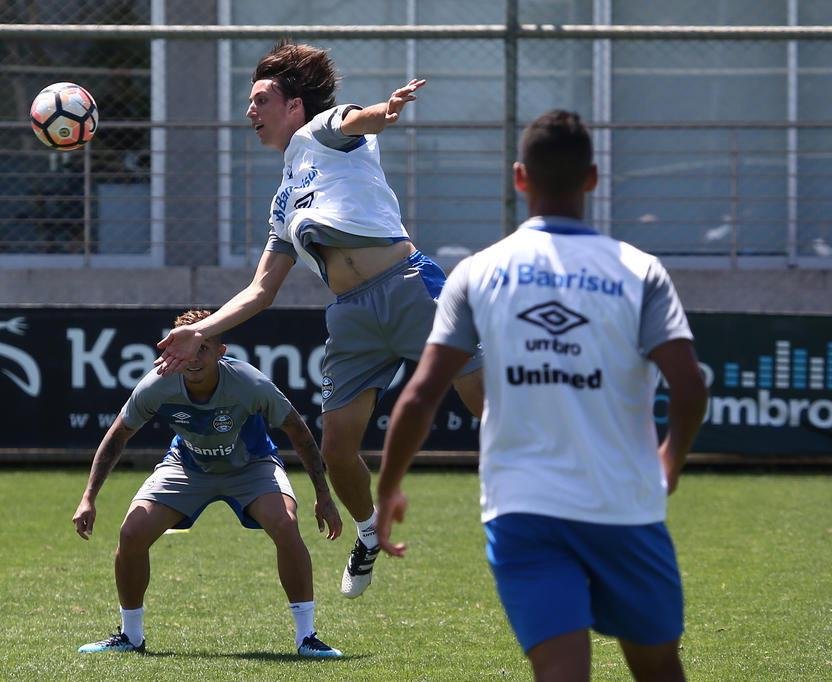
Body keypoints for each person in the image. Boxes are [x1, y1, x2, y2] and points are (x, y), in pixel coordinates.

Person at [375, 110, 709, 681]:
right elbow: (690, 384)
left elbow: (420, 396)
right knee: (657, 667)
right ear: (593, 178)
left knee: (560, 671)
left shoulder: (476, 273)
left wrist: (388, 490)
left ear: (519, 177)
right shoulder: (640, 271)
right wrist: (671, 459)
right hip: (624, 505)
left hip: (523, 508)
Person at [154, 40, 483, 599]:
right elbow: (260, 291)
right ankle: (368, 532)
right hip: (352, 318)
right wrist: (199, 330)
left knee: (489, 413)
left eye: (261, 100)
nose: (249, 112)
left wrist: (384, 110)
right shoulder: (283, 201)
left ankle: (564, 501)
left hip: (410, 290)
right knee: (335, 450)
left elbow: (359, 120)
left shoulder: (322, 130)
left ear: (295, 106)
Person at [73, 309, 344, 658]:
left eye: (203, 348)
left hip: (252, 466)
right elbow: (118, 434)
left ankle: (307, 637)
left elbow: (298, 431)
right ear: (172, 350)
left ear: (220, 351)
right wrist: (88, 497)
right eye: (186, 348)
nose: (194, 357)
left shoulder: (250, 383)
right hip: (188, 466)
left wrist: (323, 495)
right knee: (131, 533)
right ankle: (131, 636)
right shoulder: (158, 383)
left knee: (285, 524)